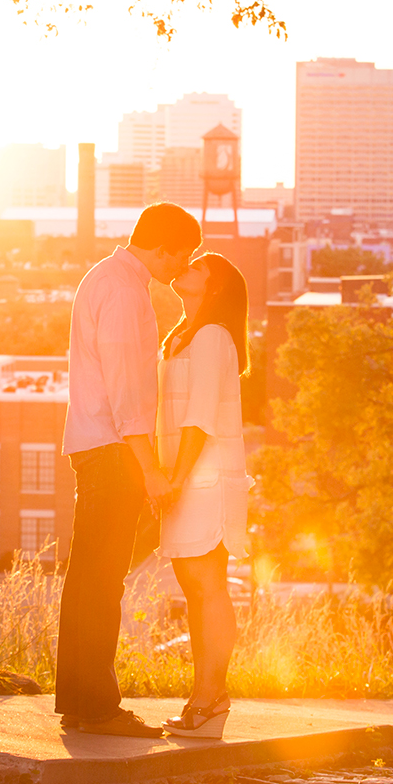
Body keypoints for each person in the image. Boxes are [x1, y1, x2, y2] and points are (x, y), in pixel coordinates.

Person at [57, 202, 202, 738]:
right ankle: (96, 707)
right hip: (113, 450)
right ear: (163, 244)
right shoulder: (123, 290)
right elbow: (127, 395)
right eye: (182, 253)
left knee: (91, 579)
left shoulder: (109, 277)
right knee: (102, 580)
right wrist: (152, 470)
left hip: (99, 445)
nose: (181, 266)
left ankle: (81, 701)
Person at [154, 253, 251, 739]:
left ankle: (211, 697)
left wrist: (174, 479)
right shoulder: (181, 336)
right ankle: (206, 696)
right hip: (183, 475)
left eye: (197, 266)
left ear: (213, 287)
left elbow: (200, 416)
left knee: (207, 587)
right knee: (197, 590)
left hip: (202, 478)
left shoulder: (213, 336)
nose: (184, 267)